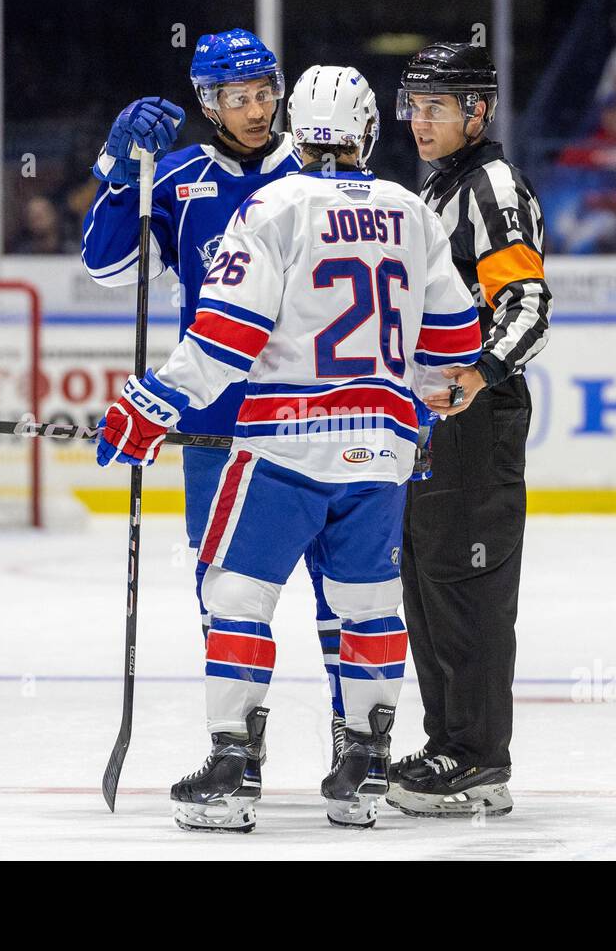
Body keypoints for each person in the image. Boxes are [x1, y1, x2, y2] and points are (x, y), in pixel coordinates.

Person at [94, 65, 483, 833]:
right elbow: (454, 345)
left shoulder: (274, 206)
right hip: (381, 448)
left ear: (298, 129)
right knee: (367, 606)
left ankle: (234, 771)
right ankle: (366, 770)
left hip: (285, 446)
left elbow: (224, 340)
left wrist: (149, 405)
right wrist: (412, 396)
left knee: (237, 597)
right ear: (369, 128)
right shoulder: (412, 211)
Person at [79, 30, 348, 761]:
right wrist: (115, 171)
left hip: (313, 414)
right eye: (239, 98)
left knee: (341, 590)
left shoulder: (323, 169)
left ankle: (354, 738)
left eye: (266, 93)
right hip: (216, 424)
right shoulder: (174, 178)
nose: (257, 109)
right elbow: (105, 268)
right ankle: (239, 743)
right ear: (209, 102)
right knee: (227, 594)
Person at [390, 43, 551, 818]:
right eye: (414, 106)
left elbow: (527, 306)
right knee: (428, 581)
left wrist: (478, 375)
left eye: (438, 107)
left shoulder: (489, 185)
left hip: (476, 418)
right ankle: (450, 741)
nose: (421, 122)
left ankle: (480, 756)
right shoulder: (442, 185)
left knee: (469, 585)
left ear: (477, 113)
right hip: (439, 417)